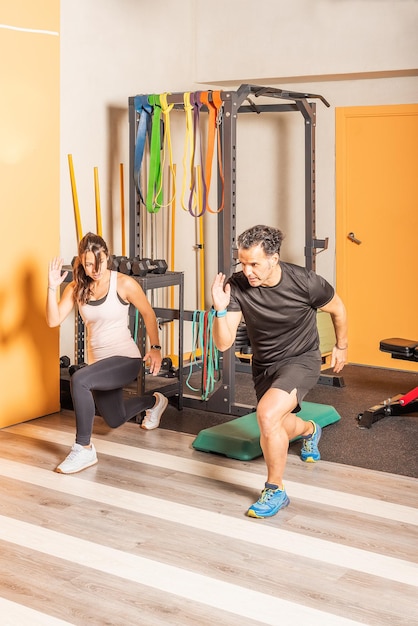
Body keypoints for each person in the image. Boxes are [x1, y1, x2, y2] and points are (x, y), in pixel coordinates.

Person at [211, 225, 348, 518]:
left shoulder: (306, 282)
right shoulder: (236, 287)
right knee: (278, 425)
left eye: (254, 264)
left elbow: (338, 309)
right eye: (243, 263)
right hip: (265, 365)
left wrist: (342, 346)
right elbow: (224, 343)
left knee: (267, 414)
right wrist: (220, 310)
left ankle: (275, 490)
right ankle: (311, 429)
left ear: (274, 259)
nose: (247, 271)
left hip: (301, 360)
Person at [46, 232, 168, 474]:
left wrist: (155, 348)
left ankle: (84, 449)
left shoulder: (122, 283)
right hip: (100, 366)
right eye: (89, 263)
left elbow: (148, 313)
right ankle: (155, 401)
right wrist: (51, 288)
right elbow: (53, 320)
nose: (95, 268)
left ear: (107, 256)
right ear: (81, 261)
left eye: (99, 262)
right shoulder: (76, 287)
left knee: (80, 379)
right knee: (115, 418)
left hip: (126, 358)